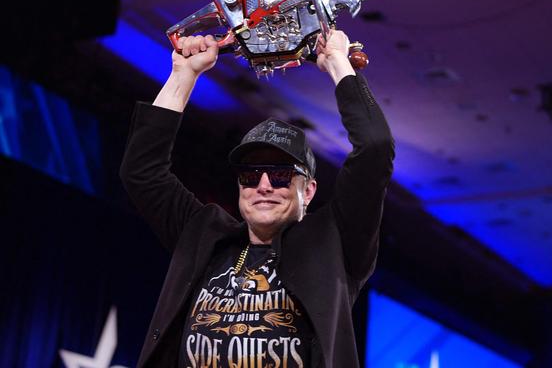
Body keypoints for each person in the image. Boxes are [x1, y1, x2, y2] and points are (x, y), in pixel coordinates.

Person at [120, 29, 394, 367]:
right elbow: (141, 172)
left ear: (307, 190)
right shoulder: (204, 235)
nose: (263, 185)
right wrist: (183, 75)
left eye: (280, 175)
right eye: (251, 175)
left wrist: (337, 63)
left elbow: (375, 149)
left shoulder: (334, 244)